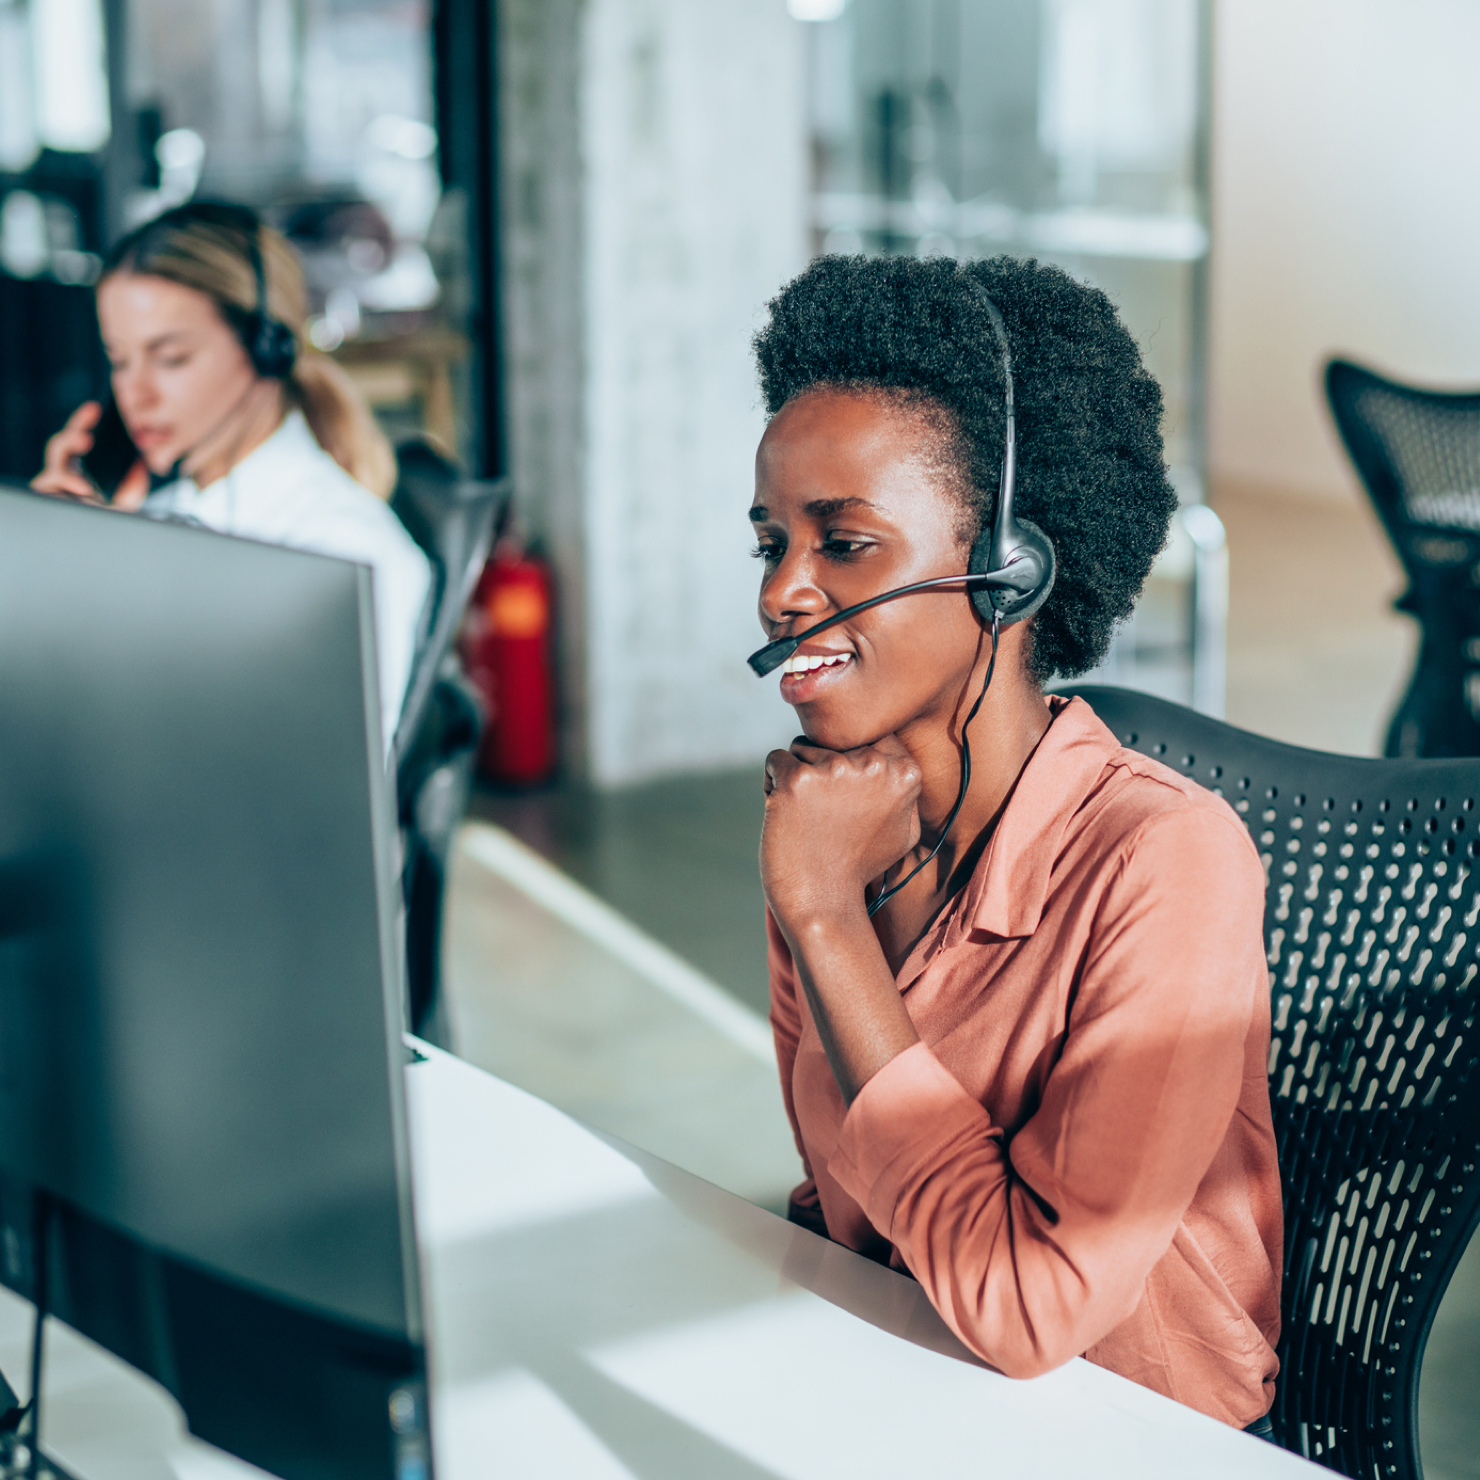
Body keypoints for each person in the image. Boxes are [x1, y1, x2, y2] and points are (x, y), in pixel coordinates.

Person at [751, 254, 1281, 1433]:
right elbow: (851, 1220)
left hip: (1126, 1433)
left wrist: (828, 921)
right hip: (909, 1396)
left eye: (843, 544)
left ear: (1011, 571)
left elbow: (1030, 1307)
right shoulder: (832, 823)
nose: (783, 593)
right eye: (770, 543)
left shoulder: (1168, 861)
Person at [32, 202, 431, 754]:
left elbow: (313, 796)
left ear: (267, 347)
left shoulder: (347, 550)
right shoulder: (154, 516)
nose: (135, 394)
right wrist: (49, 572)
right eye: (119, 361)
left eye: (170, 358)